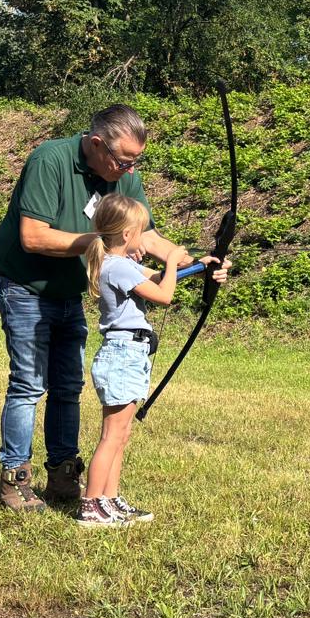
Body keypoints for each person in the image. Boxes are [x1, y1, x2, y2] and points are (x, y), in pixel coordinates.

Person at [0, 104, 226, 512]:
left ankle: (63, 475)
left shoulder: (122, 176)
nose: (130, 171)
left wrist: (198, 262)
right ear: (97, 145)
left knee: (66, 386)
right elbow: (33, 236)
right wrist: (103, 245)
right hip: (24, 286)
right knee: (29, 384)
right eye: (123, 160)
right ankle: (16, 479)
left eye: (136, 161)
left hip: (68, 291)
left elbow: (145, 236)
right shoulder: (51, 160)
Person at [76, 194, 191, 525]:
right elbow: (164, 293)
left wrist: (201, 267)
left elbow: (154, 280)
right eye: (141, 232)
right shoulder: (118, 267)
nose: (144, 239)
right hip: (122, 355)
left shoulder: (121, 265)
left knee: (121, 434)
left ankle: (109, 499)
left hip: (130, 353)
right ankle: (91, 505)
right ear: (127, 235)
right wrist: (171, 261)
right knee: (112, 435)